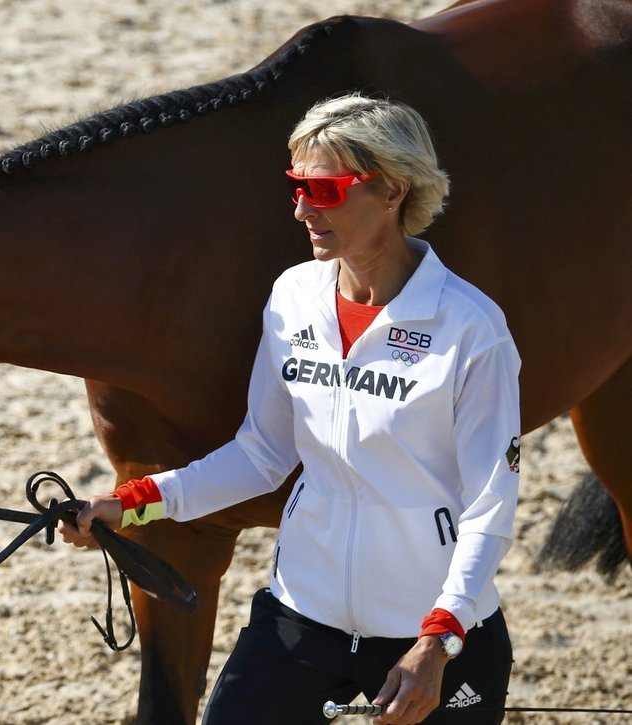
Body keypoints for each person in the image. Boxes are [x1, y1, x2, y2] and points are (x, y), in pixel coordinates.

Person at [60, 92, 521, 724]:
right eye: (297, 186)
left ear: (391, 190)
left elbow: (490, 507)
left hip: (435, 639)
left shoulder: (471, 330)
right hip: (302, 617)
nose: (302, 207)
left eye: (325, 190)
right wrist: (131, 503)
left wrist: (437, 643)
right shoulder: (293, 295)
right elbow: (262, 453)